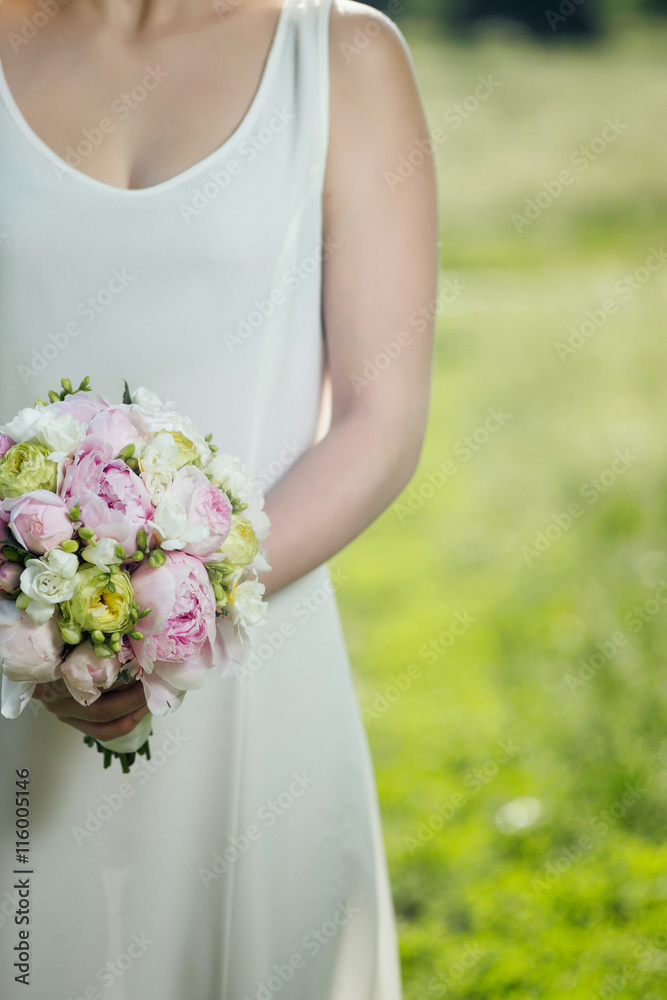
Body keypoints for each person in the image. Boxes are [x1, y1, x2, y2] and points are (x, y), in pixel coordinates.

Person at [0, 0, 437, 995]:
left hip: (254, 675)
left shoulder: (340, 56)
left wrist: (154, 627)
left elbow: (379, 418)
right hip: (4, 672)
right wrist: (34, 617)